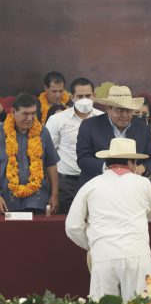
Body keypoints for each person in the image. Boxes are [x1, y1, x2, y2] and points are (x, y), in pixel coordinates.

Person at [66, 138, 151, 302]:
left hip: (104, 255)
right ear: (132, 163)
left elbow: (72, 226)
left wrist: (94, 243)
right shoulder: (143, 183)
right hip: (137, 254)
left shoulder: (91, 185)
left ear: (107, 161)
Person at [76, 85, 151, 188]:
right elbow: (83, 159)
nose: (124, 115)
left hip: (131, 188)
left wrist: (141, 168)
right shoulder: (89, 126)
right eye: (119, 110)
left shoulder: (143, 129)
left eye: (128, 110)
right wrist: (109, 168)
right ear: (108, 109)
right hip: (96, 188)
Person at [46, 78, 103, 213]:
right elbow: (48, 153)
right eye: (80, 96)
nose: (84, 99)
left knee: (94, 220)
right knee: (66, 224)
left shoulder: (104, 119)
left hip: (96, 180)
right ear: (72, 97)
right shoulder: (57, 119)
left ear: (94, 96)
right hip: (66, 183)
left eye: (88, 96)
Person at [0, 93, 59, 214]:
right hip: (6, 202)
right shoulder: (1, 132)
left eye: (33, 113)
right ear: (13, 111)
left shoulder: (43, 132)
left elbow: (51, 164)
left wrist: (54, 194)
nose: (30, 118)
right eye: (25, 114)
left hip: (38, 201)